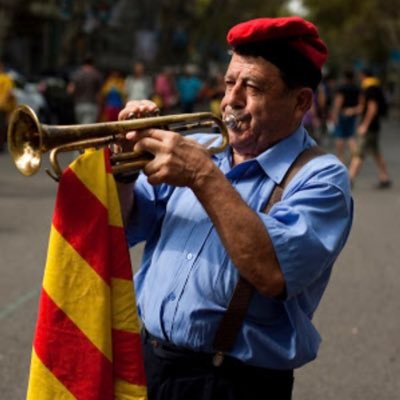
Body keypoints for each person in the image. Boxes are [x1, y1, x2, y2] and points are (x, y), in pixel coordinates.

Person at [115, 16, 353, 400]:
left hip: (233, 383)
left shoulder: (323, 178)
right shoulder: (203, 146)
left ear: (300, 102)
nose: (230, 100)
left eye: (253, 87)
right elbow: (123, 230)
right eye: (229, 83)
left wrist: (203, 176)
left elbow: (272, 272)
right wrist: (124, 170)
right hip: (147, 364)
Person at [348, 69, 392, 189]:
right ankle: (385, 178)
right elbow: (364, 107)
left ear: (363, 75)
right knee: (376, 153)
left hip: (369, 127)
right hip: (374, 126)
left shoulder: (370, 88)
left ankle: (349, 179)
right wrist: (353, 110)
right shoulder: (374, 87)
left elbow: (372, 108)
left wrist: (365, 126)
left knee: (359, 153)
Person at [331, 69, 360, 163]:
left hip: (342, 113)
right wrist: (354, 110)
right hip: (352, 114)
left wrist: (335, 114)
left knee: (339, 136)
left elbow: (338, 102)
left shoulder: (342, 88)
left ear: (344, 77)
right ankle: (355, 156)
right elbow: (360, 102)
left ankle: (340, 157)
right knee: (350, 136)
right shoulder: (357, 88)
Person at [67, 54, 103, 124]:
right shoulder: (96, 74)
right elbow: (99, 94)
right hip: (92, 105)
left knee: (81, 128)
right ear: (93, 63)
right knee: (88, 130)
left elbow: (70, 90)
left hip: (79, 105)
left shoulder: (77, 74)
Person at [0, 61, 16, 151]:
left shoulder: (6, 78)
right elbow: (10, 92)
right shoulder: (6, 78)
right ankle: (1, 144)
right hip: (2, 106)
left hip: (2, 106)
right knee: (2, 126)